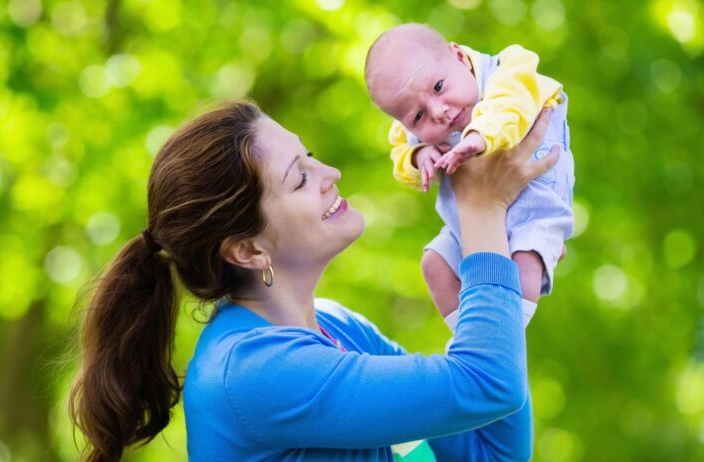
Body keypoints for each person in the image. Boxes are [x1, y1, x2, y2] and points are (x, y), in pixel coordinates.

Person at [68, 100, 560, 461]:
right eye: (299, 178)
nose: (330, 172)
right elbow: (488, 384)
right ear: (246, 248)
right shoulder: (250, 373)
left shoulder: (339, 330)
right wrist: (481, 214)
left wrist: (469, 302)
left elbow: (492, 449)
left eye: (309, 158)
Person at [364, 23, 575, 334]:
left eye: (437, 87)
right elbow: (399, 152)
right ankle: (470, 341)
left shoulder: (511, 69)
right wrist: (418, 156)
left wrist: (480, 136)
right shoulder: (413, 129)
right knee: (433, 265)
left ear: (459, 56)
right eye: (417, 117)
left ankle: (502, 342)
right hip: (467, 224)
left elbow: (512, 104)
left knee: (524, 267)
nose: (438, 111)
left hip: (535, 206)